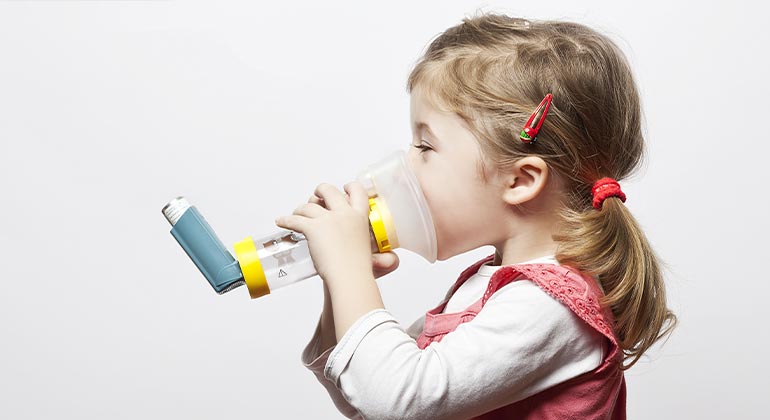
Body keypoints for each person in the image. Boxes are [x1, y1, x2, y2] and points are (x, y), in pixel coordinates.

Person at [274, 12, 677, 420]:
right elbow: (364, 395)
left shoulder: (550, 307)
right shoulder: (492, 287)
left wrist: (350, 274)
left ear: (520, 180)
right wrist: (339, 283)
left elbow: (398, 401)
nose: (406, 167)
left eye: (425, 147)